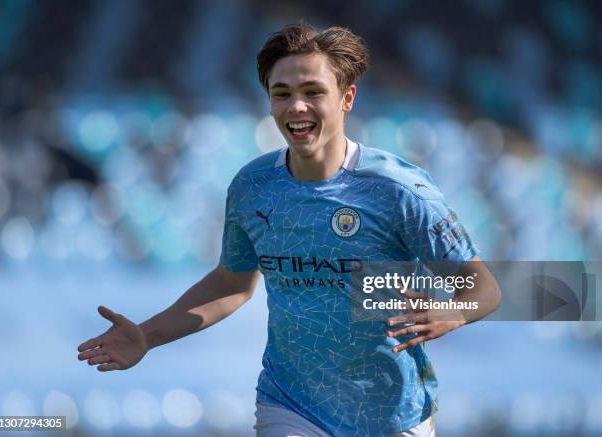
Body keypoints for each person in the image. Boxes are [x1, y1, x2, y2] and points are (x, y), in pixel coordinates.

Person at [77, 23, 501, 437]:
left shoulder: (400, 190)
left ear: (346, 98)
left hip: (393, 415)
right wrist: (147, 336)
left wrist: (455, 311)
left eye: (313, 92)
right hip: (290, 406)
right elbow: (232, 282)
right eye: (282, 94)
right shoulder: (253, 187)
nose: (296, 106)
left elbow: (485, 288)